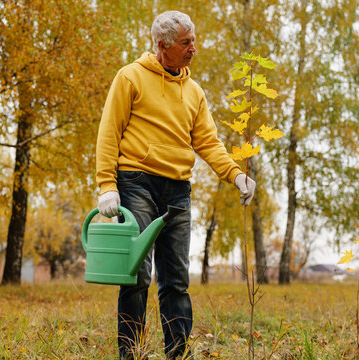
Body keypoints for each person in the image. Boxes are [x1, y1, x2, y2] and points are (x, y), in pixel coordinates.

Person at [95, 10, 256, 359]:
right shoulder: (130, 78)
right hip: (137, 182)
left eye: (193, 41)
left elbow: (208, 143)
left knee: (177, 282)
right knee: (136, 276)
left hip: (178, 189)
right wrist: (107, 185)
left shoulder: (194, 91)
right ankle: (130, 353)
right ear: (162, 45)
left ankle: (177, 354)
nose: (193, 49)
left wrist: (235, 174)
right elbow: (109, 132)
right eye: (186, 43)